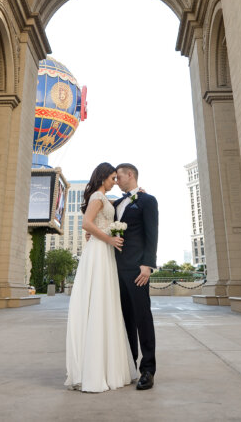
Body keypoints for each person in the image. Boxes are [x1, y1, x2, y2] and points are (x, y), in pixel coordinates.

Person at [65, 162, 138, 393]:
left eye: (117, 178)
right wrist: (109, 239)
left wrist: (137, 194)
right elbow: (87, 223)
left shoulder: (105, 198)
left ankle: (107, 366)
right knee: (97, 302)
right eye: (113, 178)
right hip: (98, 251)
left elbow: (113, 207)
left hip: (104, 253)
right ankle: (94, 370)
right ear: (104, 177)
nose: (115, 181)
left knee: (107, 304)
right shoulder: (97, 195)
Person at [114, 162, 158, 390]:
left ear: (130, 175)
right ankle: (129, 364)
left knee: (142, 317)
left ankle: (148, 369)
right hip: (114, 269)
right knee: (124, 319)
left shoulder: (147, 201)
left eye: (118, 177)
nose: (115, 181)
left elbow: (152, 233)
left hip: (136, 270)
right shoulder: (115, 204)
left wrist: (147, 264)